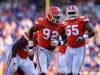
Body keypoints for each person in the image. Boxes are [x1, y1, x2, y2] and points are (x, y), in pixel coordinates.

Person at [29, 6, 66, 75]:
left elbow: (66, 39)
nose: (58, 18)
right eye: (56, 17)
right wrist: (30, 46)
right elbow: (31, 31)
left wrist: (59, 43)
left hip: (51, 52)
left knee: (38, 71)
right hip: (41, 49)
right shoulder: (41, 22)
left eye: (58, 16)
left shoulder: (61, 25)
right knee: (43, 71)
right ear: (49, 16)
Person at [64, 5, 95, 75]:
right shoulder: (65, 21)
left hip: (79, 48)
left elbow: (92, 32)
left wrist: (83, 37)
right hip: (69, 48)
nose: (71, 15)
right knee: (67, 71)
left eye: (73, 13)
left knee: (75, 71)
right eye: (70, 13)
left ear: (77, 13)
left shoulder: (82, 20)